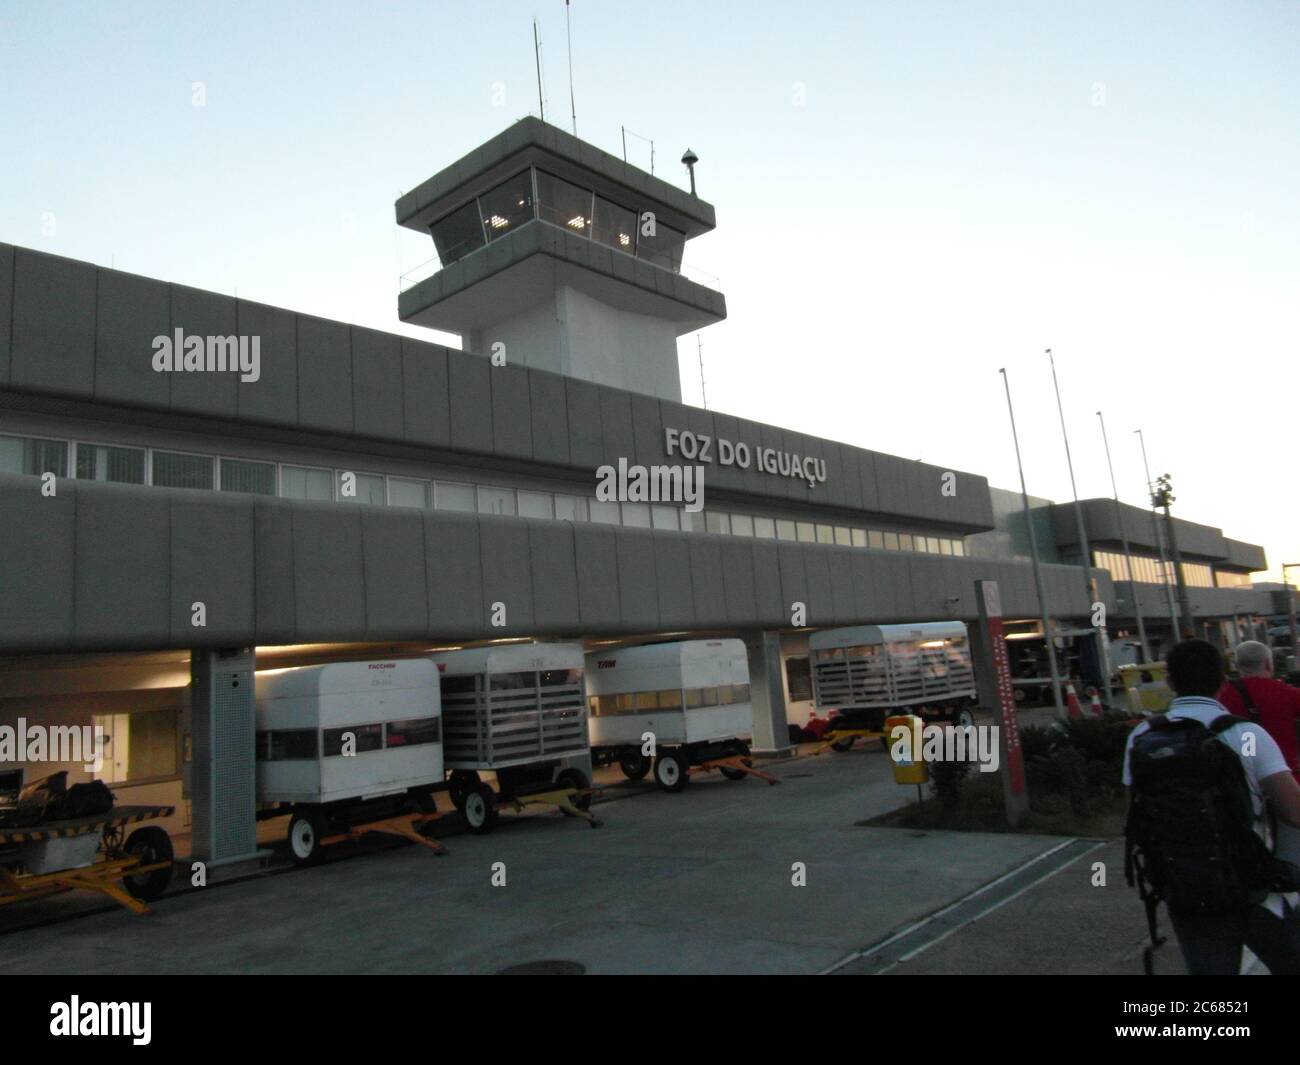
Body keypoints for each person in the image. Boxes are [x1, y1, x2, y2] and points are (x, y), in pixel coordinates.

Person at [1123, 639, 1300, 974]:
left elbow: (1135, 812)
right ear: (1222, 682)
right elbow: (1294, 811)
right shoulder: (1246, 733)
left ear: (1170, 682)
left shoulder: (1142, 736)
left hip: (1184, 886)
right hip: (1253, 885)